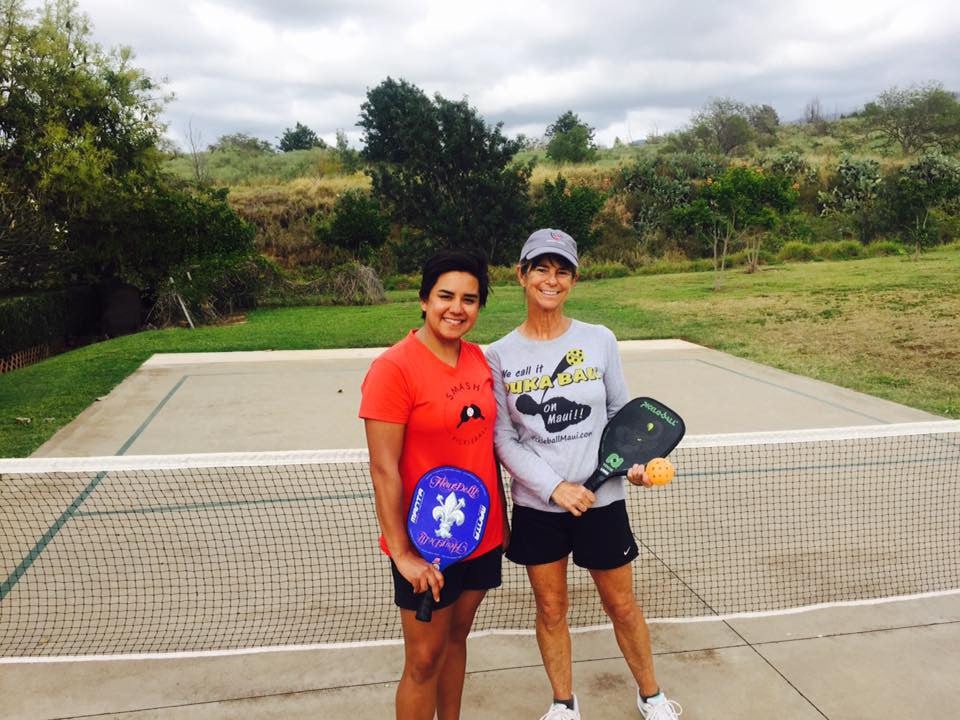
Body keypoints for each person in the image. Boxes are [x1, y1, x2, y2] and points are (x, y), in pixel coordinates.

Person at [486, 229, 681, 720]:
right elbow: (503, 438)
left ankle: (651, 695)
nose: (551, 280)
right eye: (541, 269)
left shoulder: (599, 340)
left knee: (622, 606)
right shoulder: (499, 355)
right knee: (551, 610)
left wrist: (632, 471)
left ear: (573, 278)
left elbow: (623, 418)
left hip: (604, 504)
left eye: (562, 270)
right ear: (522, 274)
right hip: (538, 509)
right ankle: (563, 703)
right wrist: (554, 487)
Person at [359, 249, 508, 720]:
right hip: (427, 542)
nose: (456, 308)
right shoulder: (394, 369)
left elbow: (493, 442)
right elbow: (384, 469)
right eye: (445, 296)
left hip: (481, 535)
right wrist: (403, 553)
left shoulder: (481, 361)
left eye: (470, 298)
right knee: (423, 660)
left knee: (456, 639)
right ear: (423, 300)